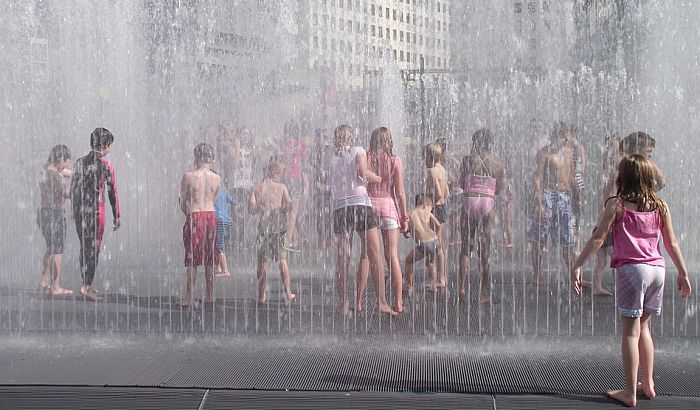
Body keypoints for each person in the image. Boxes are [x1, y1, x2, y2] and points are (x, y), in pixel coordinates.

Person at [571, 154, 692, 407]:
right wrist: (682, 272)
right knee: (645, 329)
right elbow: (671, 242)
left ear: (623, 176)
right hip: (657, 270)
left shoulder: (617, 205)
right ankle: (647, 383)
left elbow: (597, 239)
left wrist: (577, 264)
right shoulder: (660, 205)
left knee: (629, 331)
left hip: (632, 270)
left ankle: (629, 392)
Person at [322, 124, 397, 316]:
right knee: (374, 253)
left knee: (342, 258)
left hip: (340, 208)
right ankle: (381, 302)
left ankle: (344, 304)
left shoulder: (327, 156)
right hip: (360, 204)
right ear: (351, 137)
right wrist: (379, 178)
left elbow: (324, 182)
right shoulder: (358, 150)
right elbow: (362, 173)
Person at [590, 132, 664, 295]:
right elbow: (609, 186)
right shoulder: (626, 164)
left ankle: (602, 286)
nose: (650, 155)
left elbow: (661, 182)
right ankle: (620, 287)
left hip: (618, 216)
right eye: (648, 151)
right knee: (617, 256)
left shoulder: (633, 165)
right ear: (637, 148)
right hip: (618, 217)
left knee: (607, 258)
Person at [71, 128, 121, 301]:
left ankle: (87, 283)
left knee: (84, 247)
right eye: (110, 145)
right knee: (94, 249)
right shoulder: (106, 166)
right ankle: (86, 286)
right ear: (106, 145)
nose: (111, 149)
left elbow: (73, 189)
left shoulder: (79, 162)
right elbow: (112, 192)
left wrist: (74, 210)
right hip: (96, 212)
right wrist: (117, 215)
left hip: (81, 211)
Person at [363, 127, 409, 313]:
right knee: (392, 256)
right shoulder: (394, 160)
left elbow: (363, 184)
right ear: (389, 140)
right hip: (389, 208)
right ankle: (398, 301)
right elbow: (399, 192)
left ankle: (378, 300)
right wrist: (404, 217)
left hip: (370, 208)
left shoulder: (367, 158)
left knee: (373, 257)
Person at [458, 129, 504, 303]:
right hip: (487, 203)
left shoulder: (467, 160)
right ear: (490, 143)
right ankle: (484, 293)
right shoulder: (497, 164)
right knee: (484, 250)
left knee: (465, 247)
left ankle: (462, 287)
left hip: (469, 201)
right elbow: (498, 189)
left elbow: (462, 183)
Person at [247, 158, 296, 304]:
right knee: (282, 260)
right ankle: (288, 292)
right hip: (279, 228)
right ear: (276, 172)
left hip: (264, 228)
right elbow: (289, 206)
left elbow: (251, 209)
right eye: (281, 173)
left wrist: (260, 208)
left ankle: (261, 295)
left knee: (262, 262)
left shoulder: (256, 188)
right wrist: (285, 208)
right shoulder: (281, 187)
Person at [180, 143, 221, 307]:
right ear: (211, 158)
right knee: (210, 259)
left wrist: (188, 214)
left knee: (192, 259)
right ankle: (210, 295)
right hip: (211, 216)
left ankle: (189, 297)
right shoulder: (217, 178)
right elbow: (215, 199)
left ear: (195, 157)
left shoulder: (188, 176)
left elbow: (182, 200)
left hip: (195, 216)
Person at [37, 144, 73, 296]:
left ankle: (44, 281)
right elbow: (66, 194)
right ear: (60, 159)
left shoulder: (44, 170)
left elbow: (64, 172)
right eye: (66, 161)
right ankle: (56, 287)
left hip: (43, 213)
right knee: (58, 250)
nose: (67, 164)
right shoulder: (57, 177)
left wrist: (74, 174)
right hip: (56, 214)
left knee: (50, 247)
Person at [423, 142, 449, 288]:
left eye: (424, 156)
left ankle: (436, 280)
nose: (423, 160)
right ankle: (442, 277)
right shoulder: (443, 170)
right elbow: (447, 193)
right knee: (440, 244)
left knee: (433, 244)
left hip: (435, 209)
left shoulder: (432, 171)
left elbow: (438, 194)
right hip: (442, 208)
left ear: (430, 156)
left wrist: (427, 203)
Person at [404, 194, 442, 293]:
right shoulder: (427, 213)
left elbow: (405, 230)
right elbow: (439, 226)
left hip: (424, 244)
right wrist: (436, 236)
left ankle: (410, 286)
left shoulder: (410, 215)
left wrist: (406, 233)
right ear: (425, 204)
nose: (430, 209)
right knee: (430, 262)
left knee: (408, 261)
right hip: (436, 242)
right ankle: (433, 285)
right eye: (430, 207)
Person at [213, 181, 236, 277]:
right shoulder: (223, 191)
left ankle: (225, 270)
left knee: (219, 244)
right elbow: (234, 202)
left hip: (218, 219)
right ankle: (218, 267)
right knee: (216, 242)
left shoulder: (212, 192)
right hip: (227, 220)